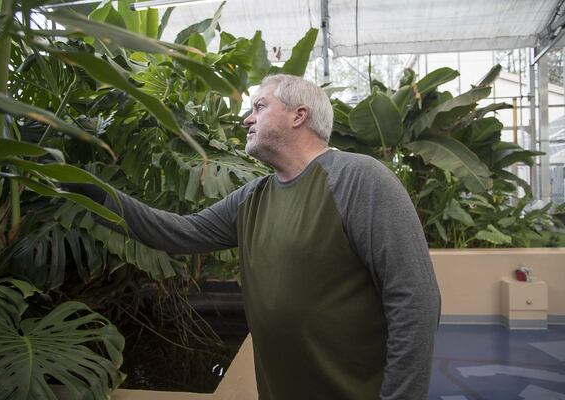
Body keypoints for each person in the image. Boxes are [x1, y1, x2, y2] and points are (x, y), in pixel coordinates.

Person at [65, 74, 441, 400]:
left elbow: (415, 300)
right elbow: (177, 232)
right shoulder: (252, 196)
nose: (247, 118)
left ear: (299, 115)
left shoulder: (359, 179)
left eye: (259, 106)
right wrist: (87, 187)